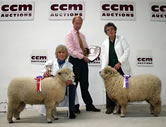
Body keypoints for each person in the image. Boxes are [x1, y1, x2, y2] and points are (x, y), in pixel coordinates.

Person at [65, 16, 100, 112]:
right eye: (77, 23)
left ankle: (89, 105)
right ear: (73, 23)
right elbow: (70, 50)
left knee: (85, 84)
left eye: (80, 23)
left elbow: (85, 48)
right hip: (74, 61)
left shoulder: (82, 35)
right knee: (74, 85)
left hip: (83, 62)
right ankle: (74, 106)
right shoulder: (69, 35)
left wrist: (91, 54)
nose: (78, 25)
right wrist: (82, 57)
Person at [39, 44, 78, 119]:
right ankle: (49, 110)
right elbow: (42, 73)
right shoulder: (50, 63)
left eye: (63, 52)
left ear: (66, 54)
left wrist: (70, 81)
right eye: (59, 52)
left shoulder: (69, 65)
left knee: (72, 87)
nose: (61, 54)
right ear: (56, 54)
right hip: (52, 86)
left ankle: (71, 111)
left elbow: (72, 77)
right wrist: (44, 74)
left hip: (63, 86)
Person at [101, 22, 131, 114]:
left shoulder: (121, 39)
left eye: (112, 29)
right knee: (109, 88)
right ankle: (110, 107)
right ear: (106, 32)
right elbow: (103, 57)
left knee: (125, 87)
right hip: (110, 70)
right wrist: (103, 69)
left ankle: (122, 106)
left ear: (115, 30)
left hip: (122, 67)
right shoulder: (104, 43)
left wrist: (120, 62)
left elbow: (127, 51)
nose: (110, 31)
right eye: (108, 30)